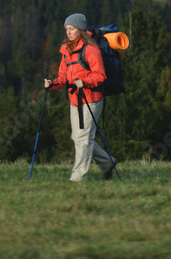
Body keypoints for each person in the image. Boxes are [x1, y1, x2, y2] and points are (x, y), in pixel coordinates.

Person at [44, 13, 117, 182]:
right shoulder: (66, 51)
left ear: (80, 30)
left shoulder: (91, 49)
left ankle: (78, 177)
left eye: (72, 29)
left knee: (83, 138)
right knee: (78, 137)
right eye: (67, 29)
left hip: (92, 99)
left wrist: (84, 82)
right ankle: (107, 163)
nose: (68, 32)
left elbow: (101, 76)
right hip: (75, 99)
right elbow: (63, 77)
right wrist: (52, 84)